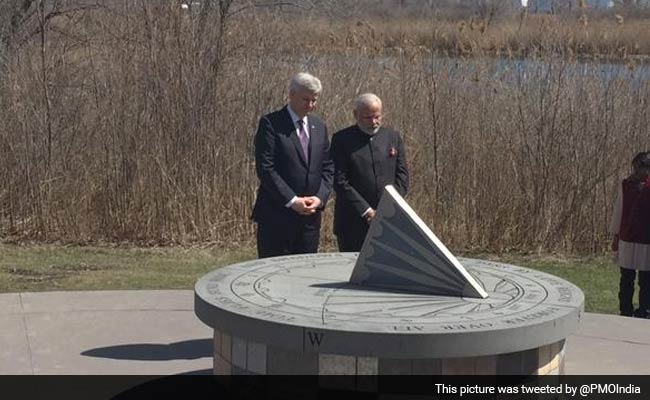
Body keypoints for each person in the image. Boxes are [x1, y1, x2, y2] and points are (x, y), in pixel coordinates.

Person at [252, 72, 334, 258]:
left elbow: (328, 167)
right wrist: (292, 201)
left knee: (304, 276)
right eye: (306, 99)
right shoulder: (271, 124)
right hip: (277, 217)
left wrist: (320, 198)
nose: (311, 105)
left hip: (310, 220)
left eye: (314, 100)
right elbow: (266, 168)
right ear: (291, 95)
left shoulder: (319, 126)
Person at [330, 93, 409, 252]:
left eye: (377, 116)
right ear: (355, 115)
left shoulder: (392, 137)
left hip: (388, 219)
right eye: (367, 117)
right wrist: (367, 211)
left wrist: (389, 206)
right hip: (352, 223)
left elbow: (402, 176)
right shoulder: (342, 140)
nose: (373, 122)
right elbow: (339, 180)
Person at [609, 151, 650, 318]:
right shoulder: (625, 185)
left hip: (647, 240)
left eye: (640, 168)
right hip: (627, 237)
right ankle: (625, 309)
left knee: (646, 280)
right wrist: (616, 236)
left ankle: (644, 310)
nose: (636, 172)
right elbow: (619, 210)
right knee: (626, 277)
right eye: (635, 168)